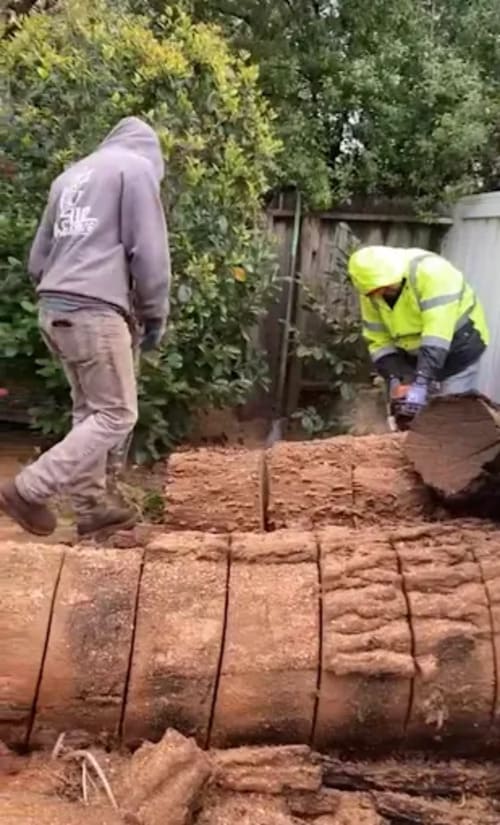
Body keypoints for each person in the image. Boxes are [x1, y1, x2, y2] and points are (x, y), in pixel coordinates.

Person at [0, 116, 171, 539]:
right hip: (94, 310)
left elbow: (38, 259)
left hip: (55, 308)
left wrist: (63, 291)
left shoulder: (70, 177)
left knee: (90, 411)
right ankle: (29, 489)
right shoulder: (136, 170)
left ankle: (91, 507)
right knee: (117, 413)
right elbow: (149, 252)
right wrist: (154, 314)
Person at [348, 246, 489, 427]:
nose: (381, 294)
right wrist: (395, 377)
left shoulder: (434, 273)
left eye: (385, 288)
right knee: (411, 416)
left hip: (458, 346)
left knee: (450, 416)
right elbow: (378, 340)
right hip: (413, 352)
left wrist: (421, 382)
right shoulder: (371, 292)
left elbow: (437, 333)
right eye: (375, 291)